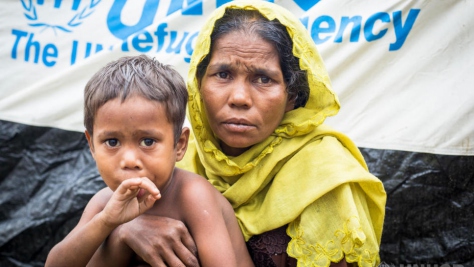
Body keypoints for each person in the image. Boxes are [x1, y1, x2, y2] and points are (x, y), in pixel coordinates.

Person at [89, 1, 387, 266]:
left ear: (292, 96)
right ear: (198, 84)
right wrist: (125, 231)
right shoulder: (174, 156)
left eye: (263, 78)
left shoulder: (324, 176)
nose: (240, 98)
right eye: (223, 74)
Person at [45, 55, 254, 267]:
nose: (129, 160)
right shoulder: (102, 203)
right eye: (112, 142)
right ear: (91, 146)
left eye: (147, 141)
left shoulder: (193, 196)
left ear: (179, 144)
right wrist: (106, 222)